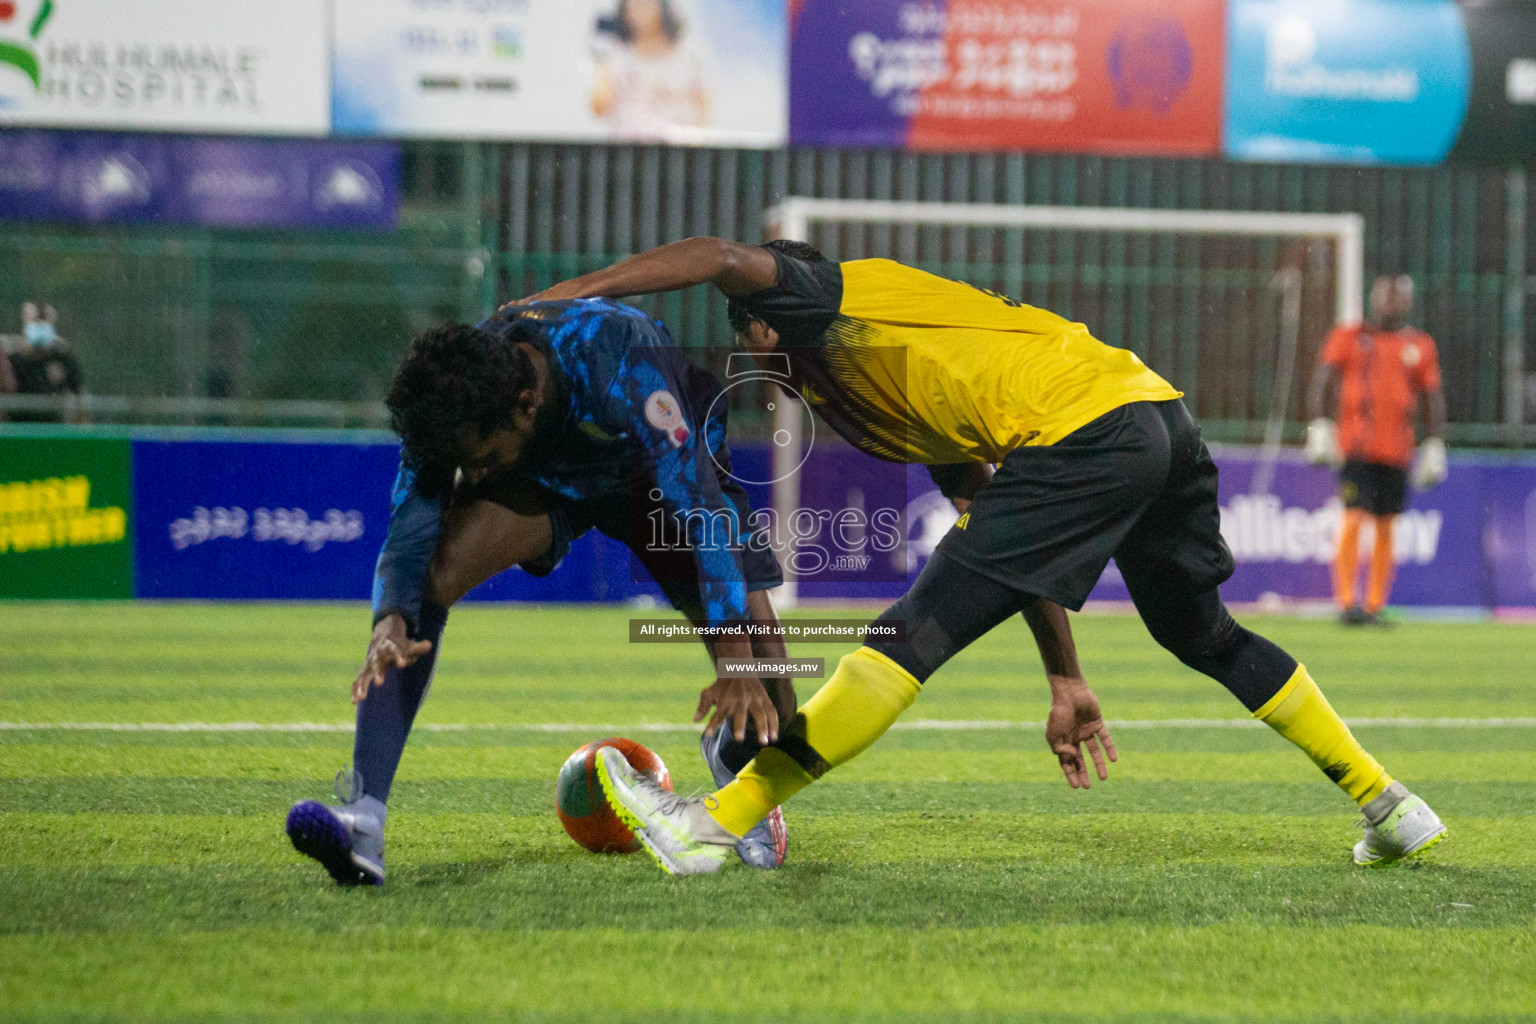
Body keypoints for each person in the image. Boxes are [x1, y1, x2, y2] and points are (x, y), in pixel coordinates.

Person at [520, 237, 1449, 875]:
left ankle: (712, 826)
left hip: (1088, 429)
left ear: (770, 324)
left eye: (748, 338)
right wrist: (1066, 679)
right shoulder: (902, 392)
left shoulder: (821, 297)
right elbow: (1005, 534)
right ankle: (1389, 802)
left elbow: (720, 258)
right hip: (1154, 415)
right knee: (1204, 633)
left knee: (907, 639)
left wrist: (570, 296)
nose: (752, 365)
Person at [285, 298, 798, 884]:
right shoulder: (456, 393)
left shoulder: (618, 360)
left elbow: (700, 509)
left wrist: (733, 657)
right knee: (429, 581)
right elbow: (413, 512)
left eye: (480, 461)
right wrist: (391, 618)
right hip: (549, 475)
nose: (473, 478)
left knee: (773, 696)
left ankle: (740, 773)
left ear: (525, 405)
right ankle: (365, 819)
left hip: (659, 477)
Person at [1306, 275, 1447, 626]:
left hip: (1397, 451)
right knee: (1354, 516)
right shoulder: (1351, 337)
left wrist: (1434, 443)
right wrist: (1319, 424)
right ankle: (1346, 601)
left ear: (1408, 304)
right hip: (1357, 448)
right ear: (1373, 299)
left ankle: (1374, 604)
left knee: (1387, 525)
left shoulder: (1419, 345)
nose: (1390, 304)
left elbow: (1431, 396)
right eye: (1385, 297)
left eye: (1397, 298)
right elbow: (1323, 378)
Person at [591, 0, 710, 141]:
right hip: (627, 150)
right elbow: (598, 108)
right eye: (633, 6)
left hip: (678, 150)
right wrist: (602, 62)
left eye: (646, 4)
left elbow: (704, 108)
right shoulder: (616, 56)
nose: (640, 12)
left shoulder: (690, 56)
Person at [7, 302, 86, 424]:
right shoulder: (11, 360)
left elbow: (80, 396)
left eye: (45, 321)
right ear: (24, 324)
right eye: (35, 321)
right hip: (18, 432)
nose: (40, 326)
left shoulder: (64, 358)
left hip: (56, 432)